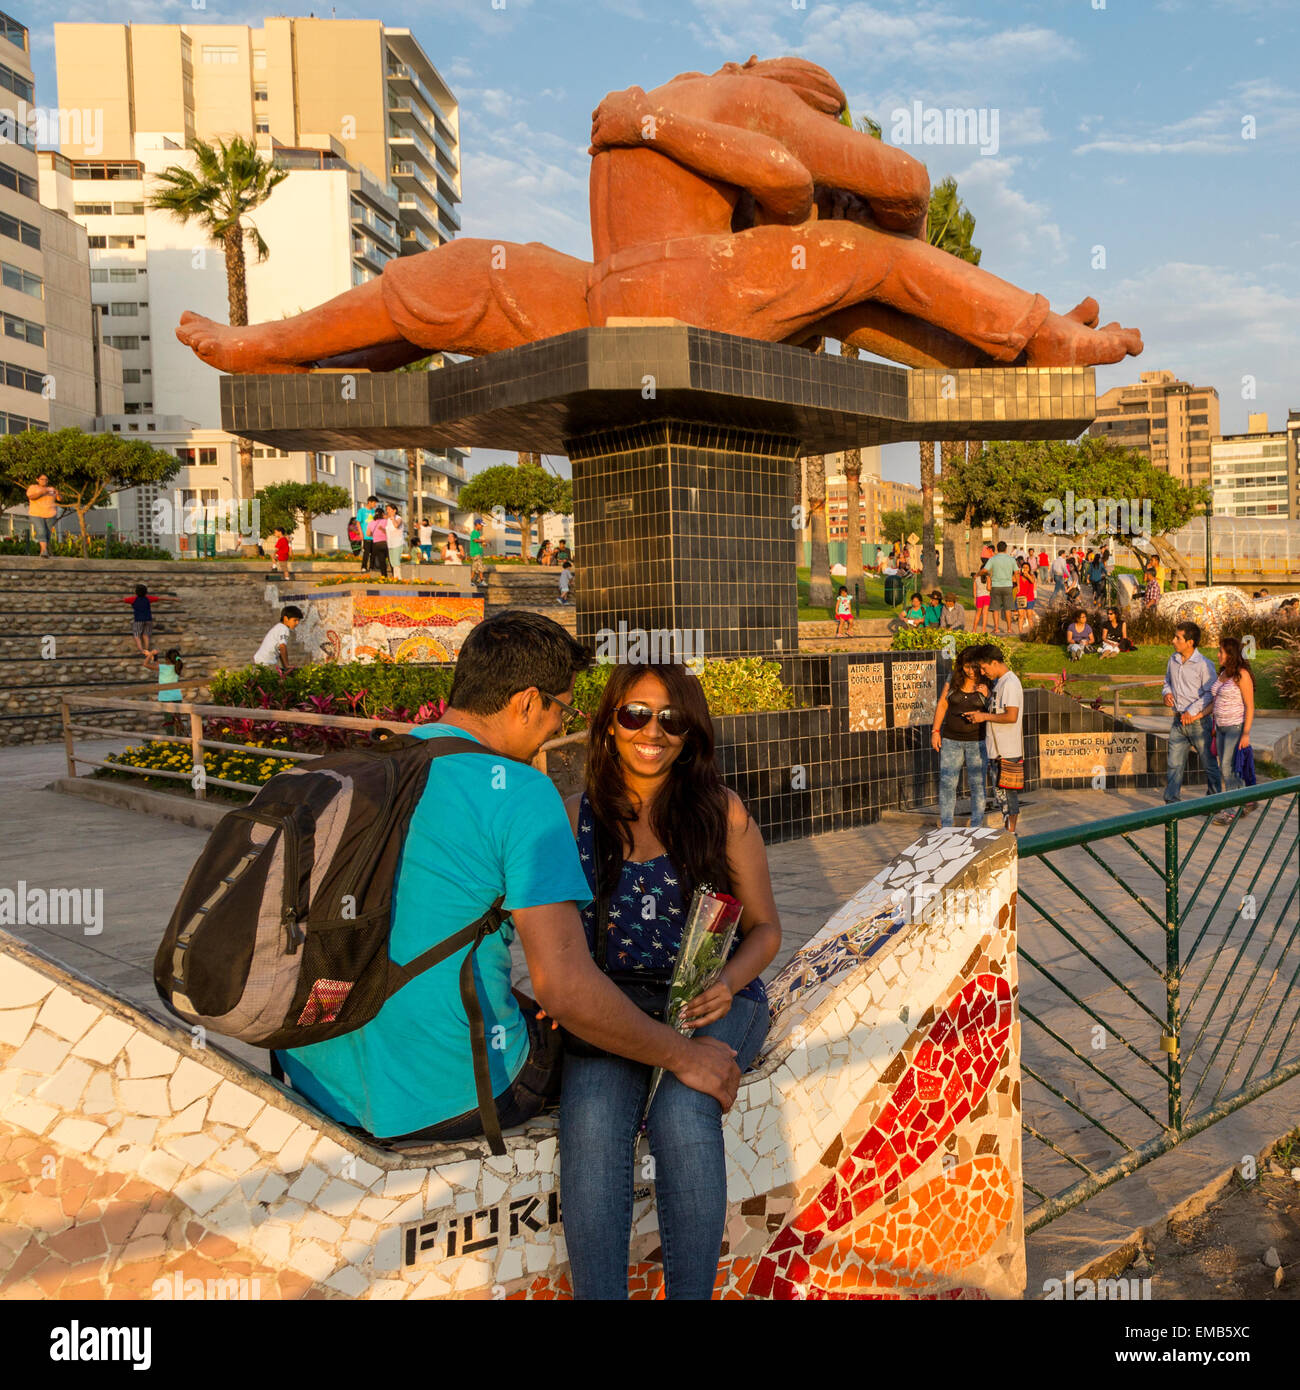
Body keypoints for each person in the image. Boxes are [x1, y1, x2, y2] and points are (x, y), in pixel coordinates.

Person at [278, 614, 742, 1160]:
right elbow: (564, 990)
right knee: (605, 1052)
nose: (555, 727)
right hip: (449, 1094)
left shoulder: (368, 767)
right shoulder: (521, 792)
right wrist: (685, 1057)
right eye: (560, 709)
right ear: (527, 702)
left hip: (314, 1074)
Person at [560, 661, 780, 1299]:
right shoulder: (574, 816)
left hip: (713, 996)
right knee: (593, 1124)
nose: (650, 731)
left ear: (691, 735)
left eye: (671, 719)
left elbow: (766, 929)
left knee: (685, 1109)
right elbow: (555, 935)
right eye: (634, 715)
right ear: (607, 727)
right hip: (614, 1001)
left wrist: (729, 983)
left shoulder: (721, 813)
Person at [1162, 622, 1222, 804]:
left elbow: (1211, 694)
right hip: (1178, 721)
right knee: (1173, 764)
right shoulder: (1172, 660)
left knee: (1209, 765)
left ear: (1190, 642)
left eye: (1177, 638)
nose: (1173, 640)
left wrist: (1192, 711)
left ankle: (1215, 802)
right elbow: (1167, 682)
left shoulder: (1204, 664)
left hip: (1199, 724)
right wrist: (1167, 693)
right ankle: (1171, 804)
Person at [966, 645, 1024, 834]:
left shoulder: (1010, 683)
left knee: (1007, 797)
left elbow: (1011, 716)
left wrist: (984, 717)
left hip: (1006, 751)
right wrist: (988, 697)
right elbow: (999, 709)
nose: (983, 672)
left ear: (995, 663)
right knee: (1002, 797)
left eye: (984, 668)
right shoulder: (1001, 683)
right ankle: (1009, 832)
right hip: (997, 750)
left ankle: (1011, 834)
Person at [931, 646, 989, 830]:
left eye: (974, 667)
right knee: (948, 782)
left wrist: (987, 696)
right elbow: (942, 704)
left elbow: (995, 711)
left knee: (977, 784)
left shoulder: (986, 681)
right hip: (951, 740)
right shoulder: (953, 679)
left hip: (977, 741)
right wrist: (935, 731)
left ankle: (976, 825)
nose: (971, 672)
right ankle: (947, 825)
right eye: (966, 667)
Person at [1210, 637, 1256, 826]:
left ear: (1231, 654)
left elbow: (1250, 706)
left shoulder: (1242, 675)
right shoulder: (1222, 674)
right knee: (1228, 768)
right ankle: (1248, 799)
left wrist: (1246, 733)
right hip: (1219, 727)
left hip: (1235, 728)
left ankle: (1230, 811)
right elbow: (1215, 700)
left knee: (1227, 769)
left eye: (1221, 651)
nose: (1218, 655)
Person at [120, 582, 168, 659]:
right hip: (148, 619)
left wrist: (108, 601)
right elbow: (160, 598)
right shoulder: (148, 598)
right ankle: (146, 650)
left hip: (139, 620)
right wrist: (174, 599)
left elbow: (120, 600)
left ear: (136, 592)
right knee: (146, 635)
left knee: (136, 635)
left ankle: (142, 651)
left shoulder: (133, 599)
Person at [145, 646, 185, 734]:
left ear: (167, 659)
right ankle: (181, 738)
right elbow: (157, 664)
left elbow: (145, 664)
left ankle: (171, 742)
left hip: (166, 698)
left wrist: (151, 654)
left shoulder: (162, 668)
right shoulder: (177, 667)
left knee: (169, 722)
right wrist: (154, 657)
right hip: (176, 697)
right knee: (178, 720)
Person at [981, 540, 1017, 636]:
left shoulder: (992, 559)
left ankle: (996, 628)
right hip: (1008, 586)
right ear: (1006, 549)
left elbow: (985, 569)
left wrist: (977, 574)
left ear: (997, 549)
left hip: (996, 586)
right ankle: (1009, 629)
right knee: (1008, 608)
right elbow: (1017, 572)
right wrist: (1019, 585)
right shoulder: (1011, 559)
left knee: (995, 608)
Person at [253, 605, 302, 671]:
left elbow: (280, 649)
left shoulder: (279, 627)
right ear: (285, 619)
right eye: (295, 620)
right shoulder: (284, 629)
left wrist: (285, 666)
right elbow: (282, 647)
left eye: (298, 620)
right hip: (266, 661)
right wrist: (287, 665)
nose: (297, 623)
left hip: (261, 660)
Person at [25, 474, 59, 557]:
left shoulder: (51, 489)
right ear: (37, 479)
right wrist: (42, 492)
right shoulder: (33, 487)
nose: (44, 481)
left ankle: (43, 551)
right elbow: (31, 497)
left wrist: (58, 494)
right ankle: (44, 551)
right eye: (42, 479)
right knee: (41, 530)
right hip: (36, 514)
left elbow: (60, 499)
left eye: (46, 479)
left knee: (47, 533)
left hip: (51, 514)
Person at [357, 496, 377, 573]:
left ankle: (372, 567)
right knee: (366, 552)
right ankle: (363, 567)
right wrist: (361, 533)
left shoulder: (374, 512)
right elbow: (358, 522)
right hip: (366, 535)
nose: (375, 504)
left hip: (374, 536)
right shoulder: (361, 511)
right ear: (369, 502)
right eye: (374, 503)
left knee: (374, 552)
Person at [1015, 559, 1036, 632]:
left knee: (1029, 616)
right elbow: (1012, 580)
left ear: (1029, 568)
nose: (1025, 569)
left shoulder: (1032, 575)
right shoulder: (1018, 576)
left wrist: (1027, 574)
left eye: (1027, 567)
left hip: (1029, 598)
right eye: (1023, 567)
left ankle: (1032, 632)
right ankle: (1020, 632)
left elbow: (1032, 581)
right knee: (1021, 616)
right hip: (1020, 597)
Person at [368, 506, 390, 578]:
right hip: (386, 543)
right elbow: (390, 532)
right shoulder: (386, 521)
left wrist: (374, 534)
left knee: (382, 560)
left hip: (376, 544)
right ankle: (394, 575)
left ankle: (384, 576)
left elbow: (368, 534)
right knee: (391, 560)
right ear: (383, 514)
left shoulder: (371, 523)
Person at [385, 505, 406, 580]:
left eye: (389, 509)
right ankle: (395, 577)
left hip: (398, 543)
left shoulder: (398, 518)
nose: (387, 511)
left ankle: (399, 578)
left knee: (396, 561)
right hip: (390, 544)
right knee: (393, 562)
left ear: (394, 510)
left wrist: (393, 518)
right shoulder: (388, 520)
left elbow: (396, 525)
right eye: (387, 509)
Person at [469, 517, 486, 585]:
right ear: (477, 524)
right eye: (481, 525)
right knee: (480, 566)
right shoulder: (474, 532)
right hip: (475, 553)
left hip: (478, 552)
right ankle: (481, 580)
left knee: (475, 568)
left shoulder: (478, 533)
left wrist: (484, 543)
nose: (482, 527)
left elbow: (479, 542)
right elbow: (475, 540)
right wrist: (483, 540)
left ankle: (470, 581)